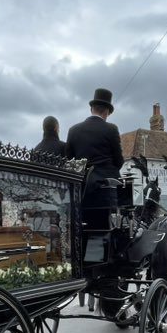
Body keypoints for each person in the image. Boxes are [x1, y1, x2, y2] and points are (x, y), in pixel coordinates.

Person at [65, 88, 124, 230]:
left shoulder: (73, 130)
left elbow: (68, 160)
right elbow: (119, 161)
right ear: (107, 112)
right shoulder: (111, 129)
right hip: (106, 193)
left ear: (91, 108)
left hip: (81, 192)